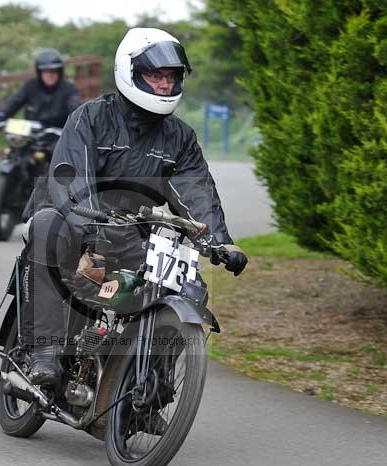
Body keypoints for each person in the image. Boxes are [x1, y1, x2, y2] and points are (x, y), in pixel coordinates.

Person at [19, 28, 248, 385]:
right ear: (130, 73)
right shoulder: (90, 118)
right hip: (74, 220)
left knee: (189, 286)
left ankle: (149, 384)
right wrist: (90, 228)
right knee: (47, 228)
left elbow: (196, 192)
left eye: (171, 77)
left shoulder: (180, 137)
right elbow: (73, 178)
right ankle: (44, 351)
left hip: (131, 231)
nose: (163, 85)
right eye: (155, 75)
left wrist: (219, 241)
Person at [0, 49, 81, 129]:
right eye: (46, 72)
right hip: (33, 134)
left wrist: (77, 123)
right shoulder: (30, 86)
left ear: (60, 72)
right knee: (15, 148)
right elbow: (14, 101)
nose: (50, 75)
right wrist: (0, 116)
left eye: (54, 71)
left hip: (58, 135)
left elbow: (75, 107)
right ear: (40, 72)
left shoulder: (69, 89)